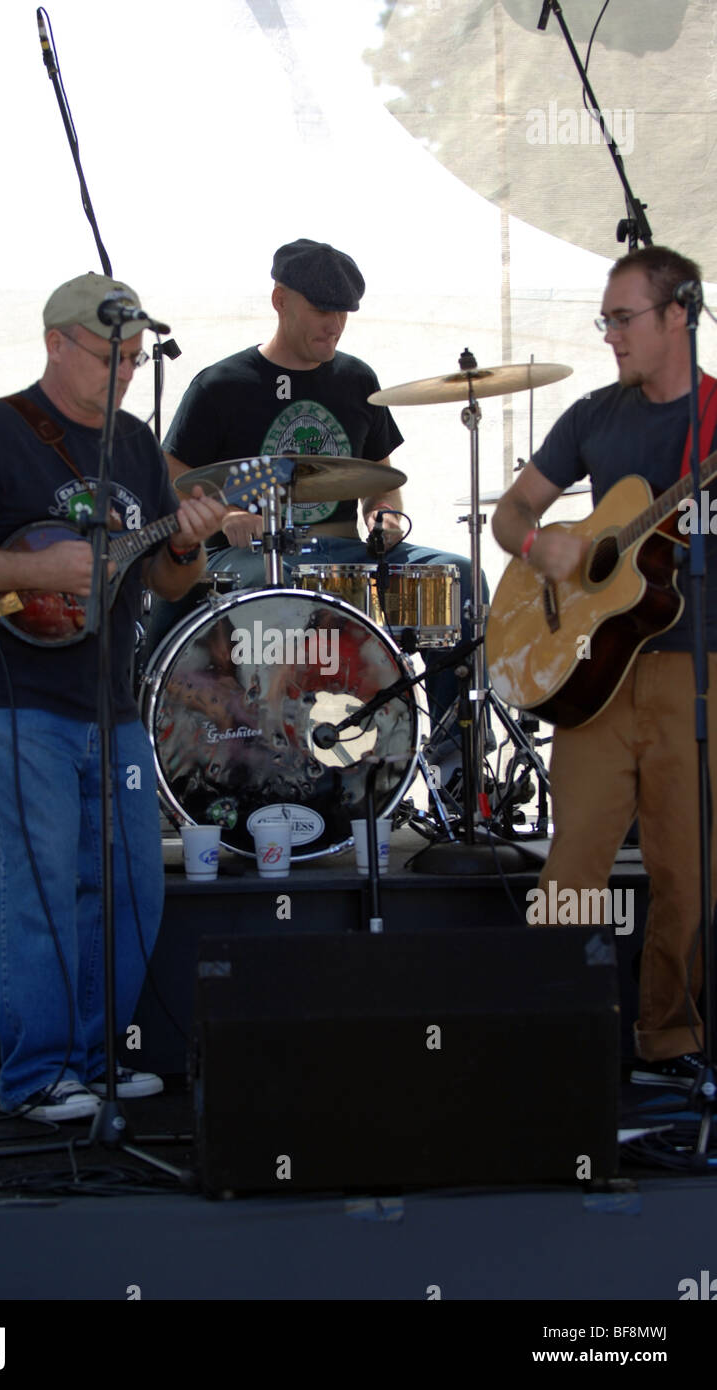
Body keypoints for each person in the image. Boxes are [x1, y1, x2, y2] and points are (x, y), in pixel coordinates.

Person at [0, 272, 227, 1121]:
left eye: (134, 355)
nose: (124, 368)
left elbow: (163, 573)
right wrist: (29, 570)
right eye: (109, 353)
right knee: (36, 884)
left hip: (109, 700)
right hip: (11, 695)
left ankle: (94, 1059)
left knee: (126, 884)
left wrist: (191, 542)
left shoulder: (137, 450)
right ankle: (37, 1073)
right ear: (57, 343)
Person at [491, 244, 717, 1087]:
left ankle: (669, 1043)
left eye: (623, 319)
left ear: (677, 316)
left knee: (685, 874)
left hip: (697, 668)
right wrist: (539, 544)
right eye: (606, 319)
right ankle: (553, 1032)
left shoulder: (714, 415)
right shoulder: (593, 415)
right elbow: (514, 509)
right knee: (573, 864)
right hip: (593, 675)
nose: (610, 335)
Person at [147, 238, 485, 731]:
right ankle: (257, 742)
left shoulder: (356, 380)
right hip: (246, 563)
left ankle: (458, 755)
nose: (335, 324)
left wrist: (383, 515)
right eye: (323, 309)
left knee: (459, 578)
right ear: (280, 300)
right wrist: (227, 515)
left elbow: (381, 480)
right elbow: (172, 477)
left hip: (346, 560)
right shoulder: (221, 386)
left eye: (344, 312)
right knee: (272, 588)